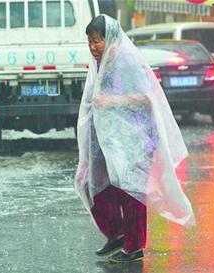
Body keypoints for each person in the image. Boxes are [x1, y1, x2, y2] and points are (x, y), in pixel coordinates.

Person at [75, 14, 195, 263]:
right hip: (112, 138)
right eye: (90, 41)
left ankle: (134, 246)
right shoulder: (100, 61)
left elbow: (146, 99)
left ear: (109, 39)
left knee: (131, 191)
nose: (93, 46)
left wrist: (109, 102)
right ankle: (117, 232)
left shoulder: (127, 61)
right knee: (92, 183)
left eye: (97, 40)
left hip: (137, 138)